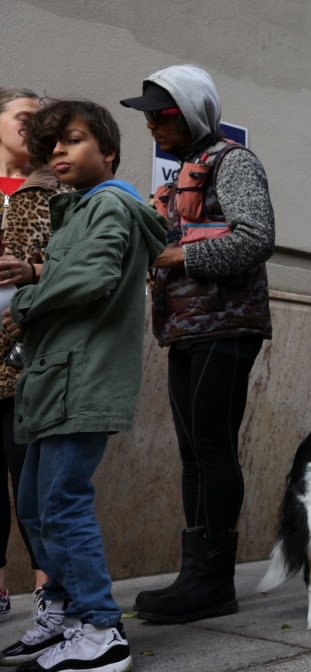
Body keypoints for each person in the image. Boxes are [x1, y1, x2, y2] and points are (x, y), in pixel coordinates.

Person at [0, 98, 166, 672]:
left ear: (109, 151)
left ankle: (102, 629)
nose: (58, 152)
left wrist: (25, 300)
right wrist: (40, 273)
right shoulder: (81, 210)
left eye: (72, 140)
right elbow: (84, 267)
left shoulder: (110, 203)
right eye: (51, 146)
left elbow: (95, 274)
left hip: (82, 381)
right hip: (58, 381)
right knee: (34, 503)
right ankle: (69, 615)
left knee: (63, 503)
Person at [120, 64, 275, 623]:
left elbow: (256, 237)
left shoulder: (233, 162)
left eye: (161, 115)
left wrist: (176, 255)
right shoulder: (184, 170)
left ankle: (212, 581)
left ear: (190, 113)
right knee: (193, 453)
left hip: (226, 327)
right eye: (147, 117)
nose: (152, 127)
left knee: (211, 448)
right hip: (187, 328)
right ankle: (197, 575)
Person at [0, 88, 55, 620]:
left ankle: (47, 587)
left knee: (34, 482)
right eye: (23, 116)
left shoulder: (55, 190)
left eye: (42, 120)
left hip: (28, 357)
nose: (33, 126)